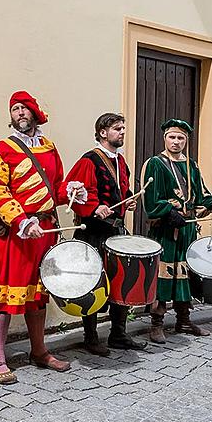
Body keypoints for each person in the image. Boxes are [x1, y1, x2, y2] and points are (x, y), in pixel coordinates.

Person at [0, 91, 80, 384]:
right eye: (15, 109)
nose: (20, 114)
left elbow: (55, 188)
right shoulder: (2, 149)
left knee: (38, 295)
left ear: (35, 113)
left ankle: (39, 351)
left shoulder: (49, 148)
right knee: (3, 295)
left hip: (45, 233)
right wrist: (22, 221)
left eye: (24, 109)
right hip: (16, 234)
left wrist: (71, 192)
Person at [64, 112, 146, 356]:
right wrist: (92, 207)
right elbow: (73, 194)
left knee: (122, 282)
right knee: (93, 285)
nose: (122, 132)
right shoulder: (89, 160)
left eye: (123, 128)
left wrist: (128, 202)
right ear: (102, 132)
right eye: (117, 129)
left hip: (116, 232)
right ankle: (90, 337)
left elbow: (122, 191)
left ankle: (118, 335)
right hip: (94, 234)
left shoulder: (121, 162)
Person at [142, 118, 212, 343]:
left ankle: (183, 320)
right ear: (165, 138)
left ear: (186, 140)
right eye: (172, 137)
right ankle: (156, 324)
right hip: (166, 231)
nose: (176, 141)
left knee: (185, 275)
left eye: (181, 138)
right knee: (163, 275)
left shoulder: (192, 166)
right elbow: (151, 201)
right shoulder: (155, 164)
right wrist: (169, 212)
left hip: (187, 230)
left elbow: (201, 195)